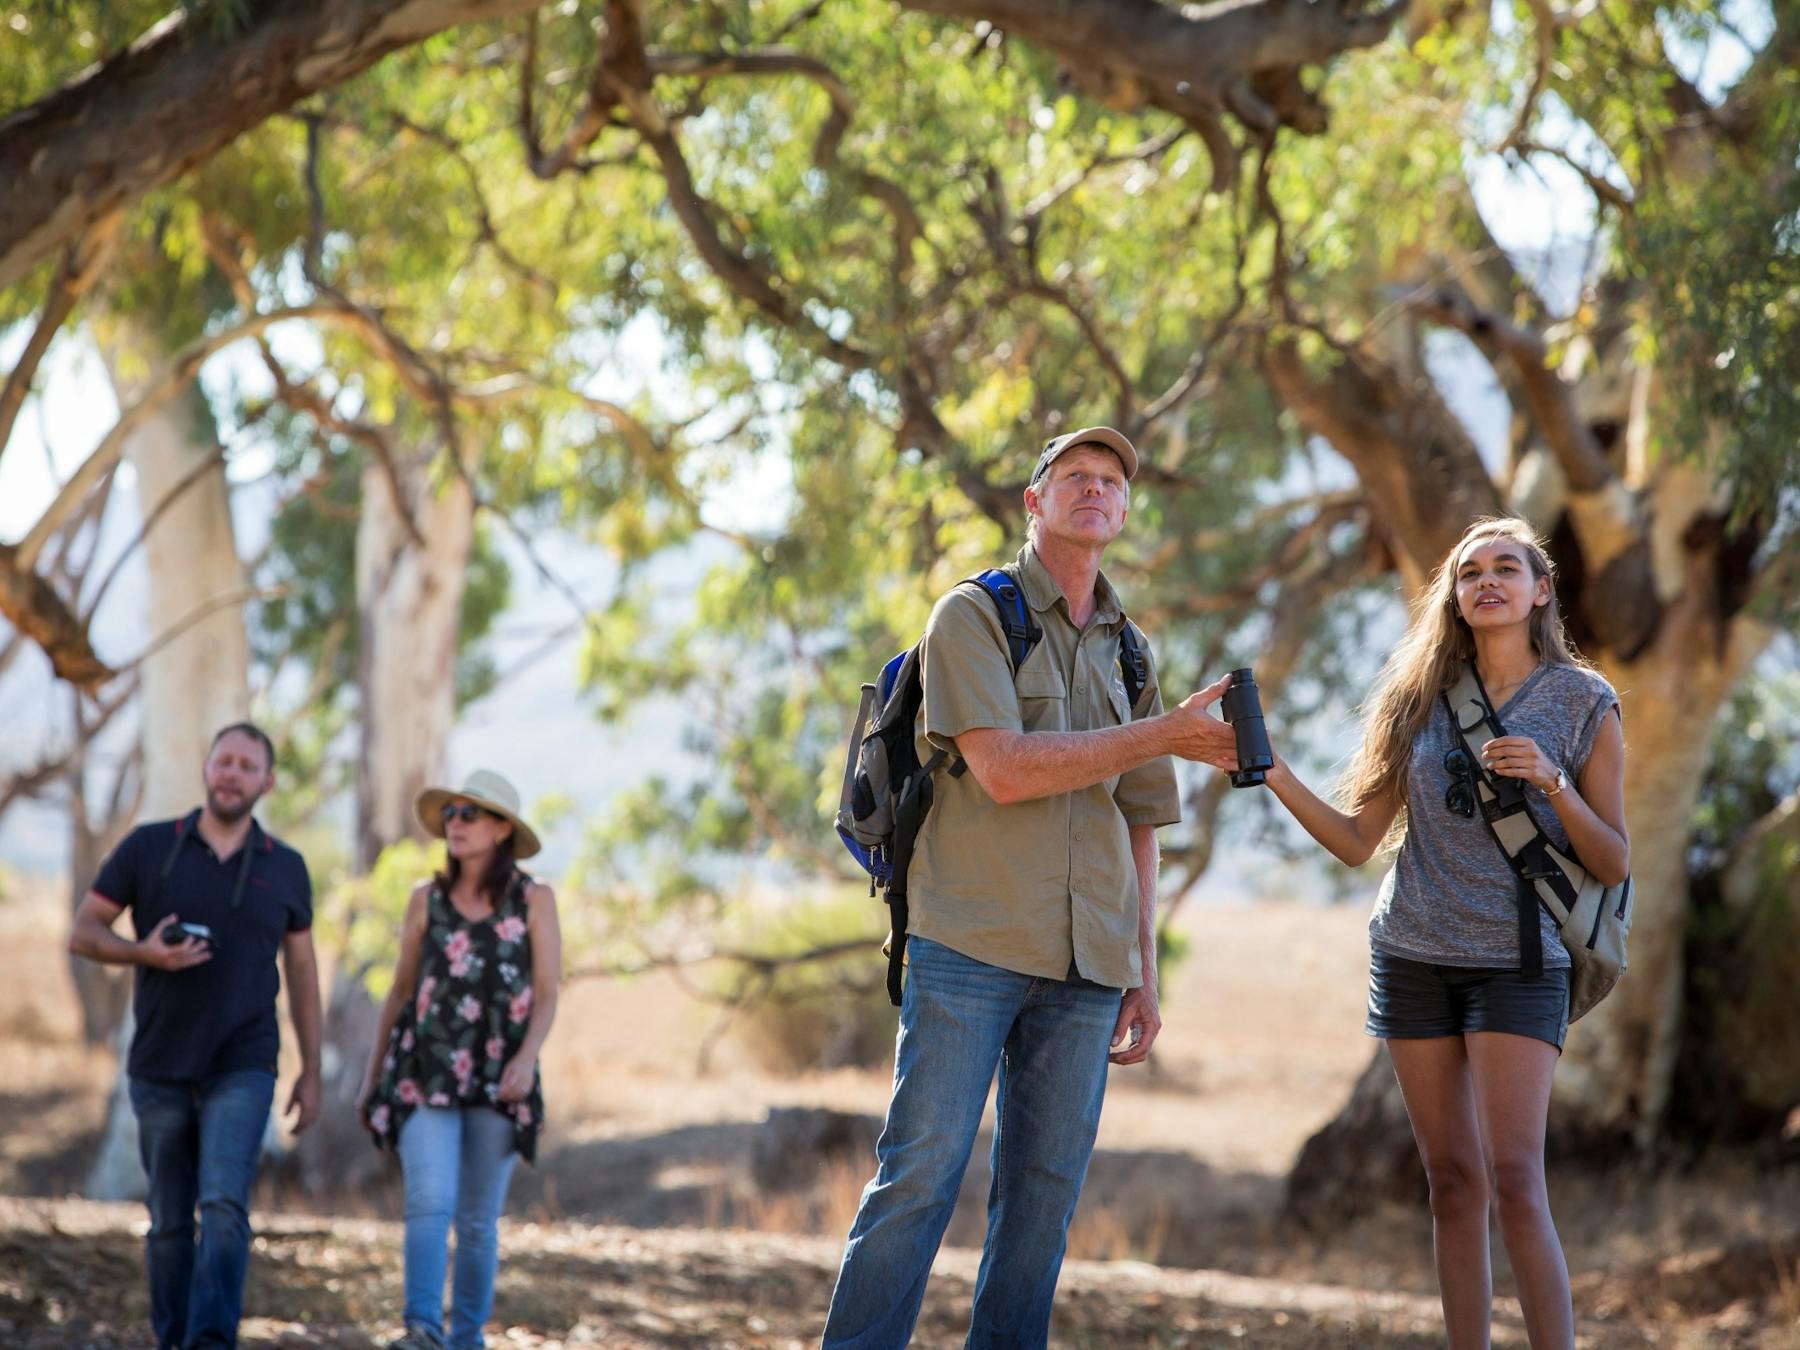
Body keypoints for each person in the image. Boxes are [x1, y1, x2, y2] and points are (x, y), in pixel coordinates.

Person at [821, 426, 1235, 1349]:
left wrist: (1144, 972)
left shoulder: (1131, 652)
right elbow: (1003, 770)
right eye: (1074, 477)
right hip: (968, 947)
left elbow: (1140, 819)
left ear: (1124, 514)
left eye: (1111, 483)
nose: (1095, 491)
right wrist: (1159, 733)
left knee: (1043, 1202)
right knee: (919, 1179)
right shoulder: (970, 616)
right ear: (1033, 502)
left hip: (1090, 968)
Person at [1246, 516, 1628, 1348]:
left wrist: (1553, 783)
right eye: (1469, 573)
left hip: (1519, 964)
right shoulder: (1418, 697)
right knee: (1452, 1184)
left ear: (1541, 589)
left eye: (1505, 569)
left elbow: (1615, 855)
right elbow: (1356, 840)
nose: (1486, 582)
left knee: (1517, 1180)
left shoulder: (1584, 701)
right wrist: (1269, 768)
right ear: (1453, 597)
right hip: (1412, 957)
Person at [70, 722, 323, 1350]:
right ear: (207, 770)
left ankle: (211, 1341)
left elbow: (302, 972)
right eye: (223, 762)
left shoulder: (286, 868)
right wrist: (143, 954)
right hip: (159, 1063)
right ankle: (173, 1338)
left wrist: (312, 1069)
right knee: (168, 1225)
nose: (232, 773)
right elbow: (84, 931)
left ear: (267, 782)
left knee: (224, 1209)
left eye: (247, 765)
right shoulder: (150, 848)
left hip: (245, 1062)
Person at [357, 769, 561, 1350]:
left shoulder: (534, 898)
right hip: (425, 1074)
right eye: (450, 814)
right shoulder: (426, 900)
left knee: (475, 1223)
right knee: (427, 1200)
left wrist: (527, 1059)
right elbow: (399, 992)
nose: (456, 824)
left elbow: (547, 993)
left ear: (501, 829)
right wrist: (373, 1078)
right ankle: (421, 1329)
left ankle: (466, 1339)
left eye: (470, 814)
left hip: (502, 1078)